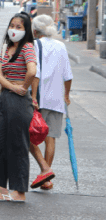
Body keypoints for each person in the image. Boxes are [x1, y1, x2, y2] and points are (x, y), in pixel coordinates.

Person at [0, 12, 36, 203]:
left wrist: (24, 87)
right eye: (12, 25)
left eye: (19, 27)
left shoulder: (27, 47)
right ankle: (1, 187)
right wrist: (12, 86)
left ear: (26, 30)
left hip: (19, 102)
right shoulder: (7, 47)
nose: (14, 29)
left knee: (18, 145)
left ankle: (19, 192)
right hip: (5, 96)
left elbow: (32, 71)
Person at [29, 15, 73, 191]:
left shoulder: (32, 45)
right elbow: (68, 76)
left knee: (28, 135)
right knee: (50, 138)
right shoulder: (61, 46)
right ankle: (46, 179)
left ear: (34, 31)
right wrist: (67, 95)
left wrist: (31, 95)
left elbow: (32, 73)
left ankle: (44, 170)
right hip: (56, 99)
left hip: (37, 98)